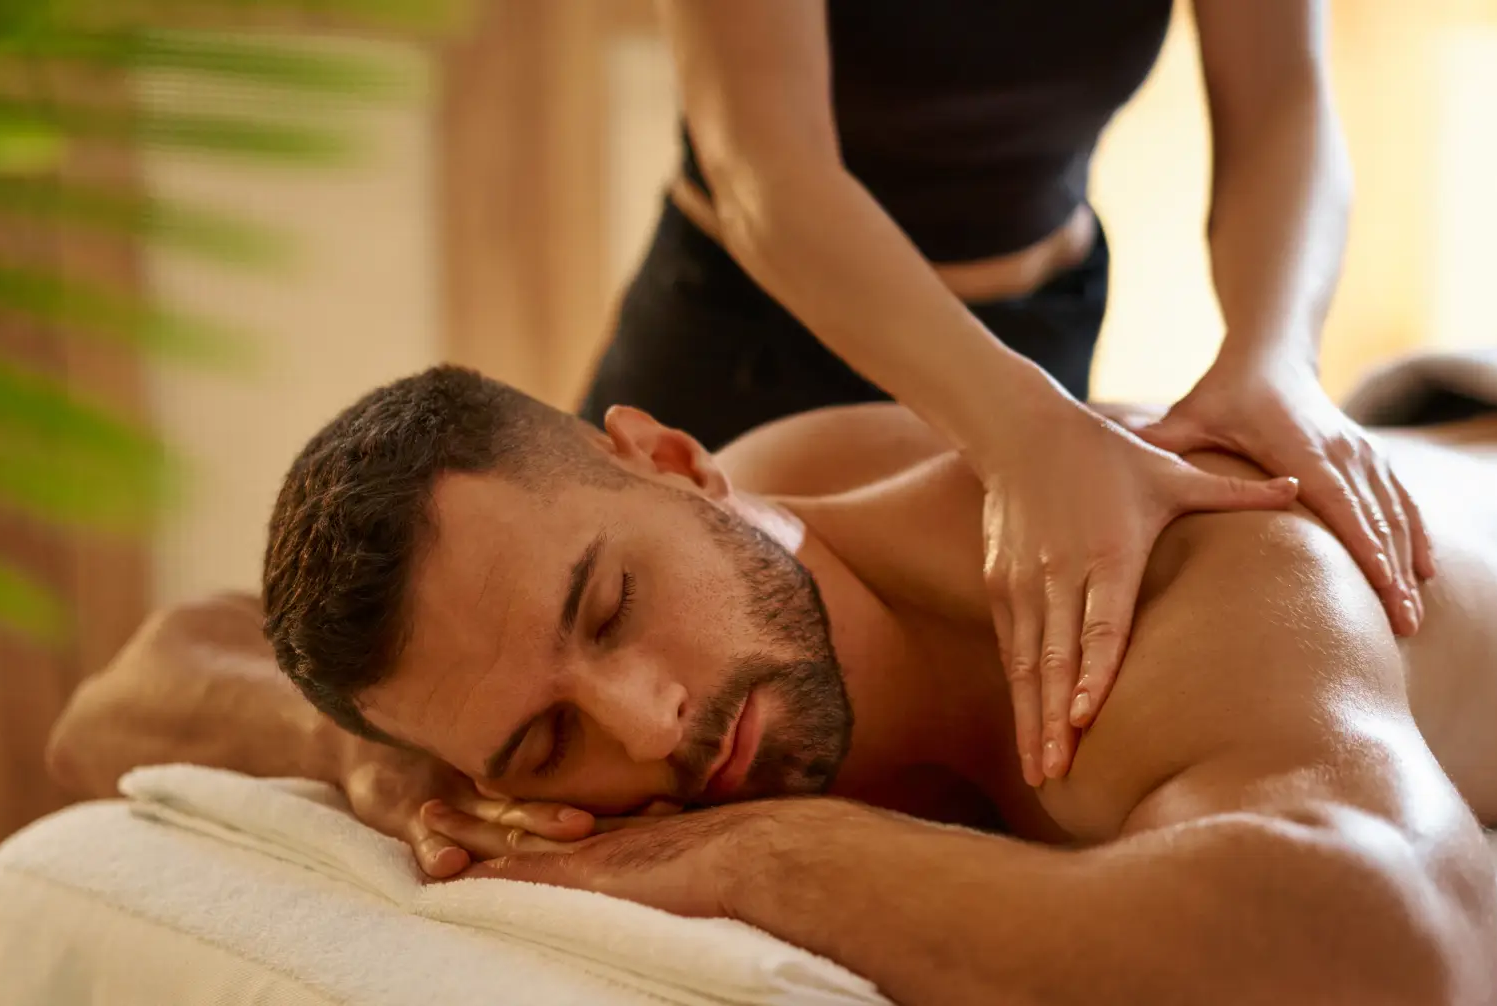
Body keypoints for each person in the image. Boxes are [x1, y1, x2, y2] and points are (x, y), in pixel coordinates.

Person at [51, 363, 1497, 1005]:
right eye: (543, 735)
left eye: (610, 604)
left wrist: (733, 862)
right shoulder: (705, 534)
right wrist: (385, 766)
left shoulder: (1163, 579)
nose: (649, 723)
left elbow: (1394, 946)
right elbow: (122, 693)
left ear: (674, 460)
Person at [581, 1, 1434, 785]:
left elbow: (1283, 100)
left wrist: (1275, 357)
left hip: (1036, 344)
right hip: (749, 349)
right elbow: (765, 164)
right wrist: (1019, 432)